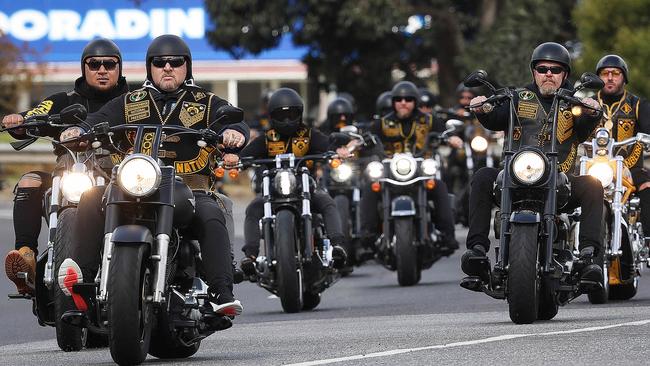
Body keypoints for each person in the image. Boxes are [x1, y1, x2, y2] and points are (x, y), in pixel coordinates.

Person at [56, 34, 247, 316]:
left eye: (175, 62)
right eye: (159, 62)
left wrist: (233, 134)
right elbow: (97, 119)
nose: (167, 67)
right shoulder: (130, 101)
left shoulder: (206, 102)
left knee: (211, 211)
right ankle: (82, 280)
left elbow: (236, 122)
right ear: (150, 67)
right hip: (135, 185)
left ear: (187, 66)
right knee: (91, 197)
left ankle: (221, 291)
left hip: (189, 189)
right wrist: (79, 131)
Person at [461, 42, 604, 285]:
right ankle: (476, 250)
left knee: (593, 184)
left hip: (560, 181)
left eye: (555, 70)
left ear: (565, 75)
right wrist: (483, 107)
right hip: (515, 177)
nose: (549, 73)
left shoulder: (574, 104)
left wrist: (593, 111)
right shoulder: (516, 98)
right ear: (534, 72)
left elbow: (585, 127)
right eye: (543, 68)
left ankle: (589, 256)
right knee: (483, 176)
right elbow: (494, 118)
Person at [2, 38, 129, 295]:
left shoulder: (132, 102)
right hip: (69, 173)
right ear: (84, 68)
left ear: (119, 68)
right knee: (29, 181)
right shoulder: (64, 100)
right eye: (94, 64)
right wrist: (19, 121)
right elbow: (36, 114)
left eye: (109, 64)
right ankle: (27, 258)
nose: (102, 70)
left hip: (118, 179)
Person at [239, 88, 349, 273]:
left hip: (306, 190)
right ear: (272, 116)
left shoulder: (309, 135)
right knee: (253, 208)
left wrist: (338, 150)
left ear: (300, 114)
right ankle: (250, 256)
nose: (287, 120)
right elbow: (245, 155)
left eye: (292, 114)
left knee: (328, 203)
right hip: (273, 193)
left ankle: (337, 247)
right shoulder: (266, 139)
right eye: (282, 115)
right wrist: (235, 160)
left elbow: (328, 145)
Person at [359, 81, 463, 254]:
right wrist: (355, 143)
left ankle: (447, 235)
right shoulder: (383, 123)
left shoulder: (429, 120)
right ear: (393, 102)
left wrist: (451, 138)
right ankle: (367, 237)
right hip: (390, 174)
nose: (403, 102)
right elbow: (366, 137)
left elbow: (445, 132)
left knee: (439, 187)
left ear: (414, 101)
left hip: (420, 172)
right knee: (370, 188)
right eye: (399, 99)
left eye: (408, 99)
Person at [595, 54, 650, 236]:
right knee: (565, 184)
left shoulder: (637, 105)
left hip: (630, 167)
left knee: (647, 186)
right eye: (605, 73)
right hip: (595, 165)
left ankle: (648, 239)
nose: (610, 77)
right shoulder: (589, 103)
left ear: (624, 78)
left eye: (616, 73)